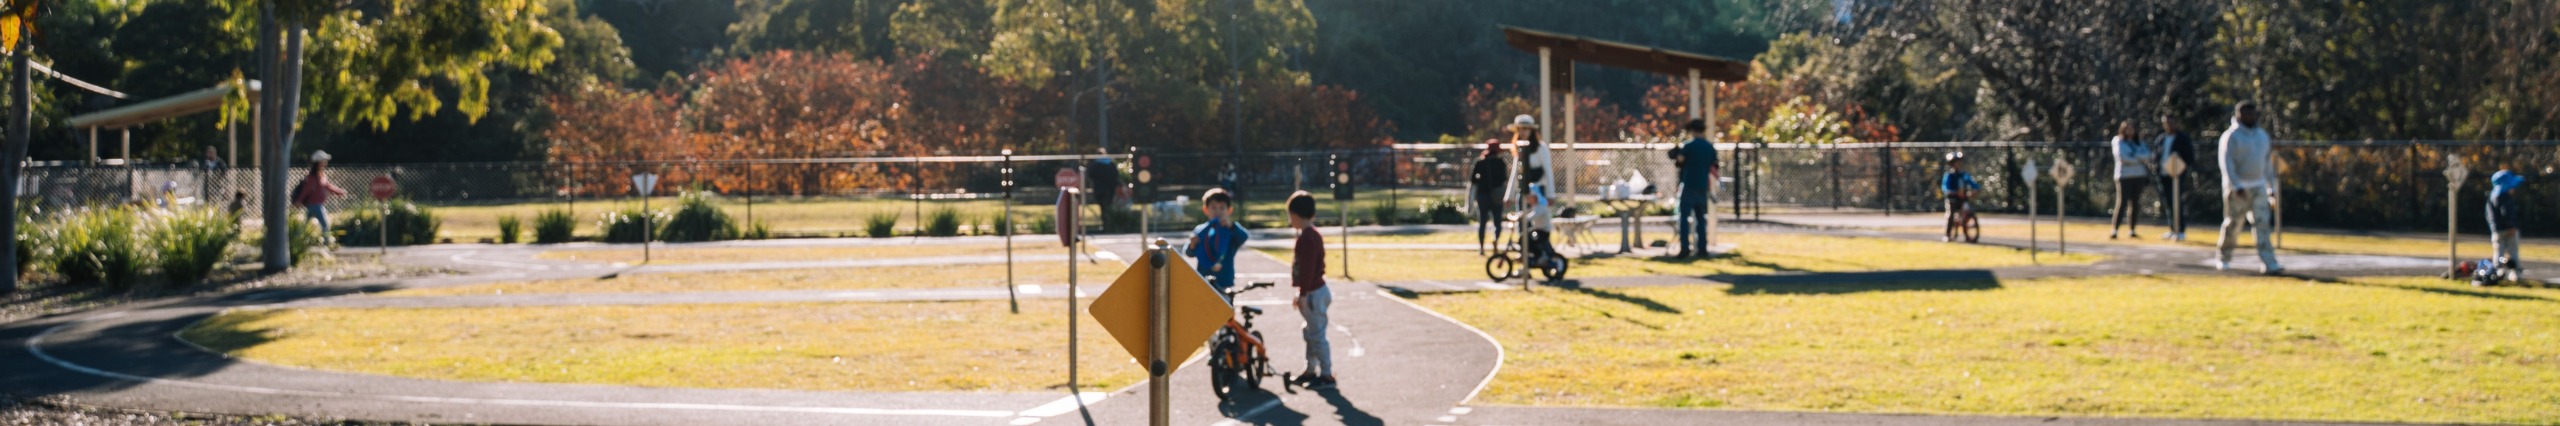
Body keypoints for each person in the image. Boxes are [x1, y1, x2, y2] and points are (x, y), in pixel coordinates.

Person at [2218, 102, 2282, 274]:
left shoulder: (2262, 135)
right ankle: (2224, 257)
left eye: (2252, 114)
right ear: (2238, 114)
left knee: (2262, 224)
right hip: (2238, 188)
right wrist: (2236, 185)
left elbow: (2267, 164)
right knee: (2233, 224)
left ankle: (2269, 262)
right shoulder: (2231, 136)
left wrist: (2271, 187)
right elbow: (2226, 163)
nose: (2250, 117)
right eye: (2246, 114)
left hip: (2259, 186)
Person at [1284, 190, 1334, 388]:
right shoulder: (1308, 235)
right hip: (1312, 291)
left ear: (1295, 215)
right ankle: (1310, 370)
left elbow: (1307, 268)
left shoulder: (1308, 238)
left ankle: (1327, 374)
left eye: (1290, 216)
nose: (1290, 220)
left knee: (1317, 335)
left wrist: (1303, 293)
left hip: (1314, 293)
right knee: (1310, 332)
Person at [1186, 188, 1249, 294]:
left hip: (1224, 281)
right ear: (1206, 210)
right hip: (1204, 280)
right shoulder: (1201, 230)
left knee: (1224, 308)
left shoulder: (1231, 230)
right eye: (1213, 208)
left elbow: (1243, 237)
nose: (1218, 212)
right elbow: (1189, 253)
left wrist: (1232, 226)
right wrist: (1192, 245)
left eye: (1222, 208)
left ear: (1229, 210)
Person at [1508, 115, 1556, 256]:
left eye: (1526, 129)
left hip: (1538, 192)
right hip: (1523, 193)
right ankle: (1524, 260)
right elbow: (1516, 174)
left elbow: (1548, 171)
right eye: (1520, 129)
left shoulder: (1541, 148)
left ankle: (1542, 256)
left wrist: (1550, 194)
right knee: (1522, 227)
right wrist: (1509, 195)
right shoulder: (1519, 149)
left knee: (1537, 227)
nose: (1523, 132)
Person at [1670, 119, 1718, 258]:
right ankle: (1702, 247)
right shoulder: (1709, 147)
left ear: (1692, 130)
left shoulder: (1688, 146)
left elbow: (1680, 160)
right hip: (1703, 185)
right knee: (1701, 218)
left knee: (1684, 218)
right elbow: (1713, 164)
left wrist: (1676, 153)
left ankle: (1685, 247)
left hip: (1689, 184)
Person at [293, 150, 347, 247]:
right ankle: (327, 243)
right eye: (323, 161)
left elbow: (329, 187)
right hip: (315, 205)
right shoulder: (312, 178)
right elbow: (306, 191)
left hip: (316, 205)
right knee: (325, 224)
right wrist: (299, 201)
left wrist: (340, 192)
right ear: (318, 163)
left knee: (307, 225)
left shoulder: (322, 176)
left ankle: (301, 241)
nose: (325, 163)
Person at [2155, 115, 2196, 241]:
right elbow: (2156, 154)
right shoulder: (2161, 138)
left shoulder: (2182, 138)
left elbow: (2189, 156)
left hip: (2177, 176)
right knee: (2167, 203)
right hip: (2163, 174)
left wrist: (2180, 168)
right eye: (2166, 122)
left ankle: (2180, 230)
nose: (2168, 125)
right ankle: (2172, 229)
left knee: (2177, 202)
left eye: (2171, 122)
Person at [1469, 140, 1510, 255]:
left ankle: (1481, 248)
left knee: (1482, 222)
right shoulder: (1501, 163)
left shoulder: (1480, 162)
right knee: (1497, 221)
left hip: (1482, 196)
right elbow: (1504, 179)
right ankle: (1495, 241)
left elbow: (1473, 179)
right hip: (1497, 196)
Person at [2487, 169, 2525, 280]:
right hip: (2509, 229)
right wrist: (2511, 226)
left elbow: (2489, 215)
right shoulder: (2505, 197)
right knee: (2513, 251)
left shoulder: (2492, 196)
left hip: (2497, 230)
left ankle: (2498, 271)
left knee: (2499, 252)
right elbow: (2506, 213)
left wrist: (2495, 228)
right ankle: (2516, 273)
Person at [1940, 152, 1983, 242]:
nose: (1959, 164)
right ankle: (1947, 234)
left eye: (1960, 162)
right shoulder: (1949, 175)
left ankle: (1966, 234)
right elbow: (1945, 187)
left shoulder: (1964, 175)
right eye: (1956, 162)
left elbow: (1973, 183)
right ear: (1952, 164)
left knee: (1966, 212)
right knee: (1951, 214)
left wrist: (1976, 189)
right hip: (1953, 199)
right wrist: (1952, 192)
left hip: (1963, 198)